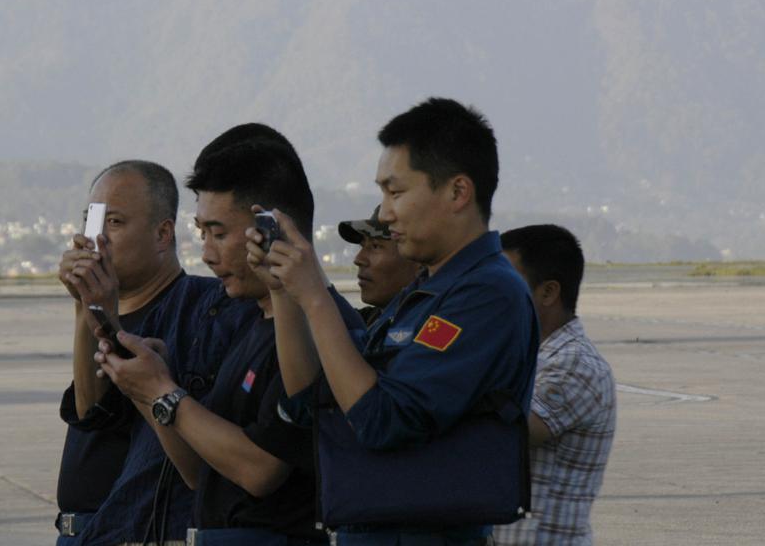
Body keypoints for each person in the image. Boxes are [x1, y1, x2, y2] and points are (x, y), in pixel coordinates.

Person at [249, 97, 539, 545]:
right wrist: (284, 292)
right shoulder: (422, 293)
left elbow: (381, 421)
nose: (384, 213)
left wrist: (316, 297)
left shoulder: (487, 294)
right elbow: (315, 404)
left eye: (395, 191)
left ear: (458, 192)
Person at [94, 126, 366, 545]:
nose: (206, 254)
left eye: (219, 233)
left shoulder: (323, 331)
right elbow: (199, 472)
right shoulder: (252, 324)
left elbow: (260, 471)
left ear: (270, 229)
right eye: (203, 234)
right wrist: (147, 389)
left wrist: (166, 393)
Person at [54, 160, 187, 544]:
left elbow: (98, 414)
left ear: (163, 234)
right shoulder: (109, 306)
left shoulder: (196, 309)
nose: (95, 241)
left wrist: (97, 311)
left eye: (113, 223)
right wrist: (86, 306)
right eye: (90, 222)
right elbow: (86, 409)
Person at [491, 225, 616, 546]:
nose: (493, 291)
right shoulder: (526, 353)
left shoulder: (573, 365)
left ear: (547, 292)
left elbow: (506, 433)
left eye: (505, 280)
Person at [337, 205, 421, 325]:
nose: (359, 259)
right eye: (362, 246)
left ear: (419, 260)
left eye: (375, 246)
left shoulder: (428, 326)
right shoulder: (372, 321)